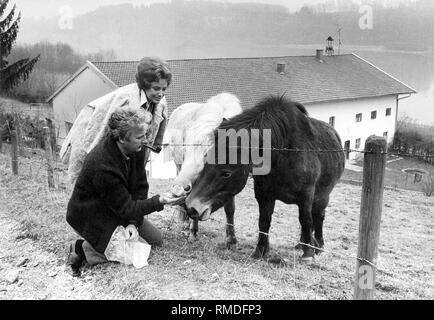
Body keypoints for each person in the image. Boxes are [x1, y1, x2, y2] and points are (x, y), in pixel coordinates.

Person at [66, 106, 185, 277]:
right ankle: (82, 248)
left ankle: (107, 241)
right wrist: (160, 201)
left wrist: (132, 223)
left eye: (145, 135)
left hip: (116, 207)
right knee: (132, 254)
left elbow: (140, 188)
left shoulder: (136, 148)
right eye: (139, 137)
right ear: (121, 138)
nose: (144, 140)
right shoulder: (103, 165)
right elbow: (126, 207)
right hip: (91, 214)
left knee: (154, 240)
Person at [59, 56, 172, 187]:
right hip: (90, 130)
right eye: (156, 88)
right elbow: (102, 132)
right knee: (87, 182)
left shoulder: (161, 101)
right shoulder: (126, 101)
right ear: (144, 85)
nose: (161, 93)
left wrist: (156, 144)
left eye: (164, 89)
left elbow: (160, 125)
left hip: (127, 142)